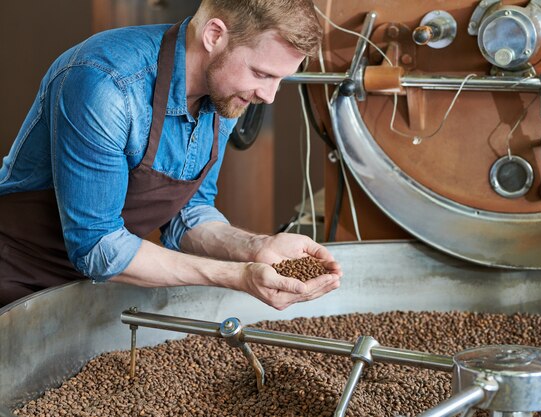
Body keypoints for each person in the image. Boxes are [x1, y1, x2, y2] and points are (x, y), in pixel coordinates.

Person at [0, 0, 341, 309]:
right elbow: (97, 247)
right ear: (214, 34)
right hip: (15, 275)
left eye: (280, 80)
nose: (269, 96)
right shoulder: (105, 84)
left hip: (92, 288)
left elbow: (188, 213)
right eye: (262, 74)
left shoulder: (224, 97)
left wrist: (256, 248)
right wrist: (238, 276)